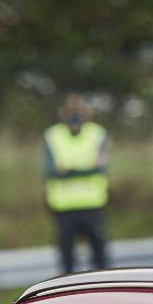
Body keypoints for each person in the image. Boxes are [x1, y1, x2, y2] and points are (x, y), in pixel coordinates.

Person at [42, 95, 109, 275]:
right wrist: (84, 170)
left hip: (93, 205)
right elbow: (49, 170)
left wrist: (68, 171)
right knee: (67, 261)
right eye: (70, 111)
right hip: (63, 207)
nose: (75, 115)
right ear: (62, 113)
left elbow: (101, 167)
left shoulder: (97, 134)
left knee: (100, 259)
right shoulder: (52, 135)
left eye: (79, 110)